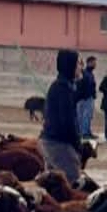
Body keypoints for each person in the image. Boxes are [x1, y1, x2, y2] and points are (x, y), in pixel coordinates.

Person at [39, 49, 92, 184]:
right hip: (59, 145)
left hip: (51, 142)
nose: (82, 67)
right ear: (70, 66)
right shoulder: (63, 89)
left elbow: (84, 90)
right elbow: (67, 123)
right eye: (79, 64)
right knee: (74, 183)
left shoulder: (63, 86)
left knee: (54, 185)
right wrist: (77, 145)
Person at [77, 56, 98, 138]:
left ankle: (87, 131)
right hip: (85, 98)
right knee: (84, 116)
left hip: (89, 97)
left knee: (88, 116)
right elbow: (83, 85)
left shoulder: (90, 74)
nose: (95, 65)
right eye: (94, 63)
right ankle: (84, 133)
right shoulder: (85, 73)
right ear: (89, 63)